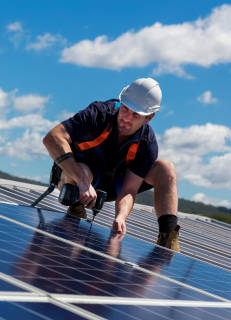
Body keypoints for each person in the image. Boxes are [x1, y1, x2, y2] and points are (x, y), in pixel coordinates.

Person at [42, 78, 180, 252]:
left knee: (166, 169)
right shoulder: (98, 114)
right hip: (79, 177)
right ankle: (76, 208)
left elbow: (129, 189)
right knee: (83, 172)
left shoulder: (147, 143)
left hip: (114, 185)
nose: (126, 118)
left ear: (149, 117)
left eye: (136, 114)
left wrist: (121, 217)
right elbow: (52, 138)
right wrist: (83, 182)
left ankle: (168, 242)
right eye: (125, 109)